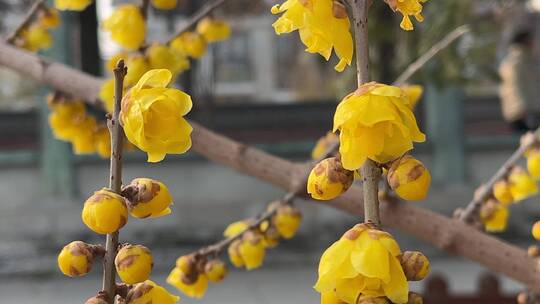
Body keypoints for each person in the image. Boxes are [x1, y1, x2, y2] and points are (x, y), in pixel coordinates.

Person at [499, 29, 540, 132]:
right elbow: (516, 87)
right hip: (524, 114)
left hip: (527, 112)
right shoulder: (517, 63)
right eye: (529, 40)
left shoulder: (525, 61)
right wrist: (524, 110)